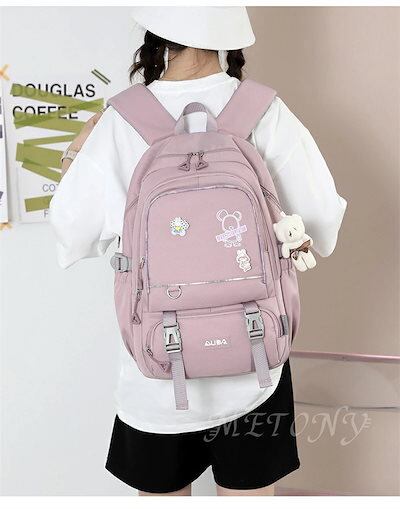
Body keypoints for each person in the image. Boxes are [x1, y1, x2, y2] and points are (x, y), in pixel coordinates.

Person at [49, 7, 347, 497]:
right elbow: (321, 220)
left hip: (156, 371)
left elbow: (71, 229)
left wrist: (74, 152)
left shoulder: (121, 120)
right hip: (256, 363)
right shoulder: (263, 110)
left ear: (156, 31)